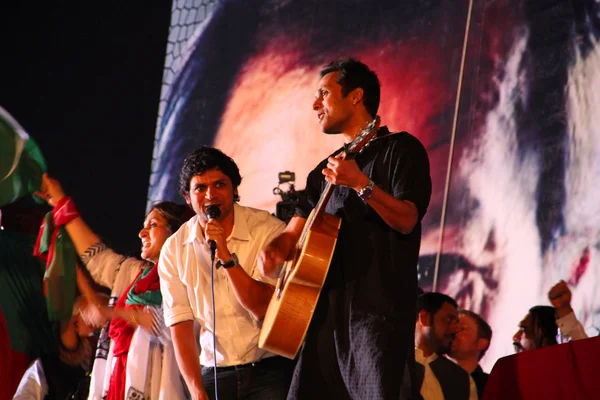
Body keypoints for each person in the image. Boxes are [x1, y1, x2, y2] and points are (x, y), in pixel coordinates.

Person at [258, 58, 432, 399]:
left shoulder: (401, 149)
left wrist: (361, 185)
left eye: (324, 92)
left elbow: (408, 218)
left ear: (355, 96)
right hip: (323, 321)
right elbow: (294, 233)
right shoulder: (322, 172)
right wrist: (274, 250)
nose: (315, 104)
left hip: (376, 318)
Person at [157, 146, 294, 400]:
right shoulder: (174, 250)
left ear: (235, 190)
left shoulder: (267, 230)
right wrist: (196, 391)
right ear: (187, 197)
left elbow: (262, 307)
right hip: (215, 374)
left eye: (220, 184)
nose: (210, 194)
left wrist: (226, 256)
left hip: (270, 370)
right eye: (200, 188)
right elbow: (181, 326)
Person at [37, 174, 188, 400]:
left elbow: (161, 323)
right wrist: (59, 201)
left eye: (153, 225)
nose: (142, 233)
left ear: (175, 234)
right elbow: (96, 257)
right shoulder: (133, 274)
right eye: (143, 226)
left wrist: (111, 312)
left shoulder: (187, 278)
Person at [414, 292, 477, 400]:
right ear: (424, 318)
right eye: (449, 320)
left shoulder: (461, 380)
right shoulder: (392, 364)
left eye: (456, 322)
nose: (456, 329)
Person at [448, 310, 492, 398]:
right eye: (450, 327)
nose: (453, 332)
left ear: (481, 343)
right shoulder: (428, 377)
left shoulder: (491, 386)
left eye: (462, 328)